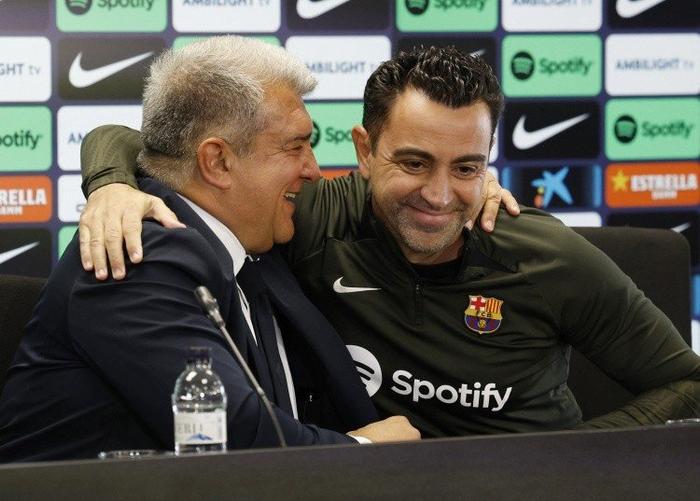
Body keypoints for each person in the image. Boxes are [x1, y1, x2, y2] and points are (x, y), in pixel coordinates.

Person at [77, 45, 700, 437]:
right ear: (364, 151)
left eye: (466, 167)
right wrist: (110, 185)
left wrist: (568, 457)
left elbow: (688, 385)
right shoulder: (307, 216)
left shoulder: (545, 255)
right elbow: (153, 144)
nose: (439, 195)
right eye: (414, 162)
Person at [0, 37, 422, 463]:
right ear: (218, 162)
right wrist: (368, 451)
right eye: (295, 146)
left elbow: (139, 144)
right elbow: (232, 440)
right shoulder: (139, 256)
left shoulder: (254, 230)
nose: (313, 169)